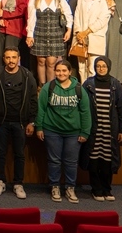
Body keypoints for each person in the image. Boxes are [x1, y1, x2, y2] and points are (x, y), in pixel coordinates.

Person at [37, 60, 92, 203]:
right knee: (54, 161)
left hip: (73, 132)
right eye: (58, 70)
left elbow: (85, 112)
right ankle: (55, 186)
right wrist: (39, 127)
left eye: (64, 70)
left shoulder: (79, 89)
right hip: (52, 130)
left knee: (71, 162)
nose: (61, 73)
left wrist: (85, 132)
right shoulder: (48, 87)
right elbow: (41, 108)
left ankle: (70, 188)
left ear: (70, 72)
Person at [0, 48, 38, 199]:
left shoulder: (27, 75)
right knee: (0, 153)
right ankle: (0, 181)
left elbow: (33, 100)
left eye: (14, 57)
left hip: (21, 123)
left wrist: (32, 122)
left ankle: (18, 183)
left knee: (20, 154)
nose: (11, 60)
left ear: (19, 58)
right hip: (1, 122)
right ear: (4, 59)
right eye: (8, 57)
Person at [80, 56, 122, 202]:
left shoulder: (115, 84)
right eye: (98, 66)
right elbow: (82, 106)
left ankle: (107, 189)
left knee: (107, 160)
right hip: (94, 129)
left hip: (109, 130)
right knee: (94, 160)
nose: (101, 69)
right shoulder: (88, 84)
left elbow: (121, 107)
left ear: (108, 67)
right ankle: (96, 190)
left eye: (104, 66)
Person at [27, 0, 73, 85]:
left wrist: (69, 30)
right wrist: (30, 35)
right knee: (41, 61)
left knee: (51, 63)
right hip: (39, 34)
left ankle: (50, 87)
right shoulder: (35, 0)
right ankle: (42, 87)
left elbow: (68, 15)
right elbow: (31, 19)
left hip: (55, 35)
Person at [73, 0, 112, 78]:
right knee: (81, 68)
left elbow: (101, 21)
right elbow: (77, 17)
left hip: (95, 38)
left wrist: (85, 32)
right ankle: (83, 87)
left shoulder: (105, 2)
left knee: (93, 68)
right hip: (80, 39)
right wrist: (78, 33)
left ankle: (92, 88)